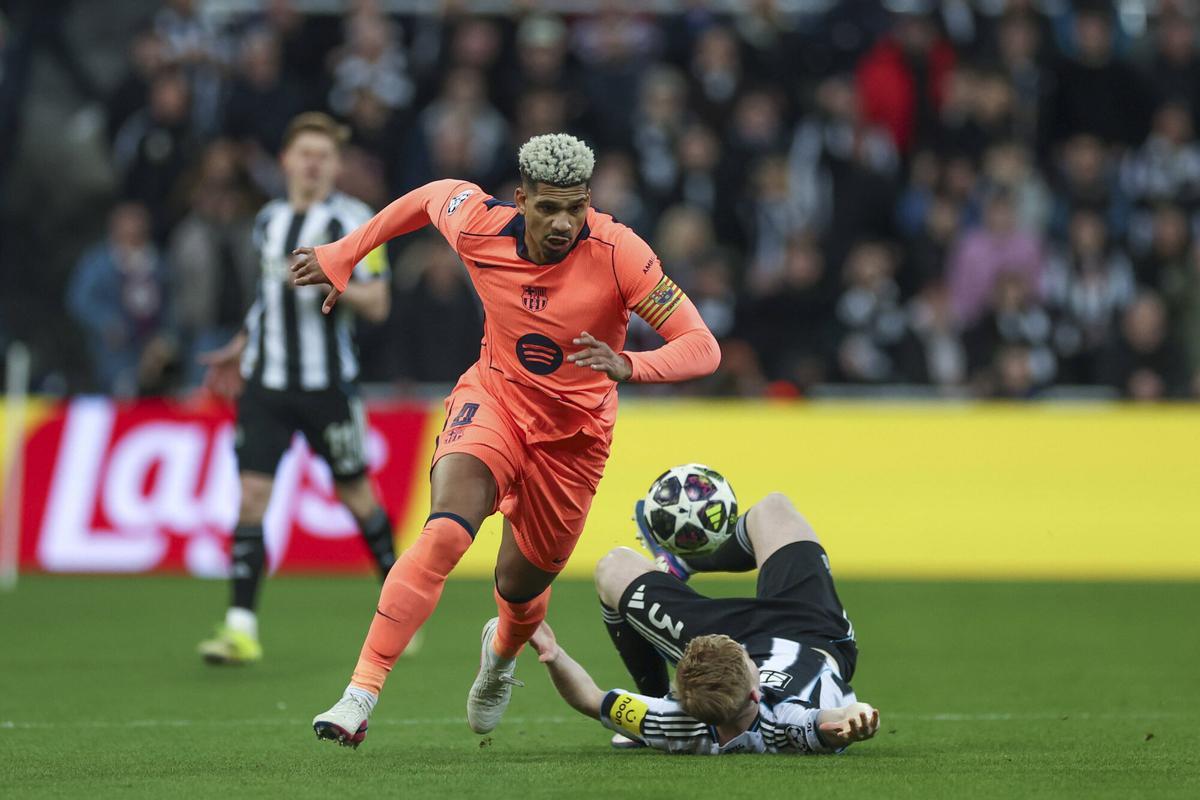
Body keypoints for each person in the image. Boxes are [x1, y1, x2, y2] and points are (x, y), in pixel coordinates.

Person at [293, 133, 720, 745]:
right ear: (521, 200)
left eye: (575, 207)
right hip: (494, 402)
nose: (563, 222)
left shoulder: (621, 251)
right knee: (444, 531)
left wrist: (633, 366)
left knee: (519, 592)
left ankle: (501, 653)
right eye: (548, 207)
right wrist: (345, 251)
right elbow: (428, 197)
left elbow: (703, 346)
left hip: (574, 444)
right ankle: (359, 695)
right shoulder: (478, 225)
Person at [196, 112, 396, 665]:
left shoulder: (355, 221)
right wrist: (241, 345)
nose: (313, 162)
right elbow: (268, 297)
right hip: (267, 382)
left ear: (335, 164)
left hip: (327, 386)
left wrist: (337, 279)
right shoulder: (268, 220)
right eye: (304, 152)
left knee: (358, 496)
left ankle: (401, 603)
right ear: (285, 161)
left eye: (323, 154)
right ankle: (240, 627)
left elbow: (378, 303)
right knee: (253, 497)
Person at [525, 490, 878, 755]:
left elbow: (590, 699)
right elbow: (830, 722)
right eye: (747, 659)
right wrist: (855, 718)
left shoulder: (673, 720)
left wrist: (554, 655)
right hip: (815, 633)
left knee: (613, 567)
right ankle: (686, 561)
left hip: (731, 639)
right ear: (755, 691)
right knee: (773, 509)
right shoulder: (782, 721)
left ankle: (679, 564)